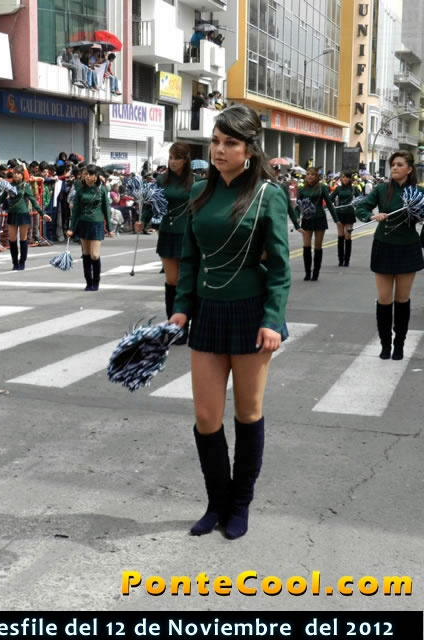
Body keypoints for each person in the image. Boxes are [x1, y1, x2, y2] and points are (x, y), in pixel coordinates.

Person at [168, 104, 291, 539]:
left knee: (248, 412)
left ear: (249, 149)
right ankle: (216, 502)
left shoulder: (267, 194)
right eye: (215, 141)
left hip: (251, 314)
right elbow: (189, 258)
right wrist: (181, 308)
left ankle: (239, 505)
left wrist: (273, 319)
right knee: (206, 416)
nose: (219, 150)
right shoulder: (201, 192)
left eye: (230, 143)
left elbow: (280, 267)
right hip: (207, 312)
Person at [355, 151, 424, 360]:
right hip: (383, 246)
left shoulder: (418, 192)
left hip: (408, 247)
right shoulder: (382, 189)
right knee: (384, 300)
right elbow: (362, 207)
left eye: (399, 164)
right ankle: (385, 345)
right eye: (393, 164)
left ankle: (399, 345)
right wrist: (371, 216)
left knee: (402, 300)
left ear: (409, 169)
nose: (394, 167)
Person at [135, 143, 196, 345]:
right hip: (168, 234)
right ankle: (174, 327)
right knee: (172, 281)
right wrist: (143, 220)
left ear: (186, 160)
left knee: (186, 281)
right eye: (171, 157)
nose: (173, 162)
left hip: (188, 234)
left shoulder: (195, 181)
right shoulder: (161, 180)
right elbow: (151, 204)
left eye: (177, 158)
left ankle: (186, 324)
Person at [66, 164, 114, 291]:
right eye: (86, 174)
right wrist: (71, 228)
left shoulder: (102, 190)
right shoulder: (80, 190)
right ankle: (88, 282)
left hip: (97, 224)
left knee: (94, 255)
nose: (87, 177)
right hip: (83, 223)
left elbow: (106, 209)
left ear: (96, 176)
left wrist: (109, 228)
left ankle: (96, 281)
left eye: (90, 174)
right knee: (86, 254)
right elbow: (75, 211)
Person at [0, 166, 51, 270]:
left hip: (23, 213)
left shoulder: (26, 186)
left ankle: (22, 262)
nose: (16, 175)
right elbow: (2, 197)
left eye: (18, 173)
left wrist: (42, 213)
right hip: (12, 213)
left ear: (22, 175)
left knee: (23, 239)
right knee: (12, 239)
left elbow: (33, 200)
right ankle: (15, 262)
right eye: (15, 173)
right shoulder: (9, 185)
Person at [295, 167, 337, 281]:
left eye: (312, 174)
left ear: (316, 176)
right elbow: (298, 206)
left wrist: (336, 220)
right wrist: (297, 217)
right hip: (307, 219)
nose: (310, 176)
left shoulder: (322, 188)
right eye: (308, 174)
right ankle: (307, 272)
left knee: (318, 246)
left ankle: (316, 272)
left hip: (319, 218)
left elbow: (329, 204)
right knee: (306, 246)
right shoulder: (302, 189)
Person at [330, 171, 360, 267]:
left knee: (348, 236)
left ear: (350, 179)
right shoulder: (338, 188)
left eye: (347, 177)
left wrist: (356, 205)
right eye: (343, 177)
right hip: (339, 213)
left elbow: (361, 200)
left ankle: (347, 260)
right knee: (340, 236)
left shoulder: (354, 189)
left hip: (349, 214)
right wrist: (332, 205)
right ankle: (340, 259)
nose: (345, 179)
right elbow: (330, 198)